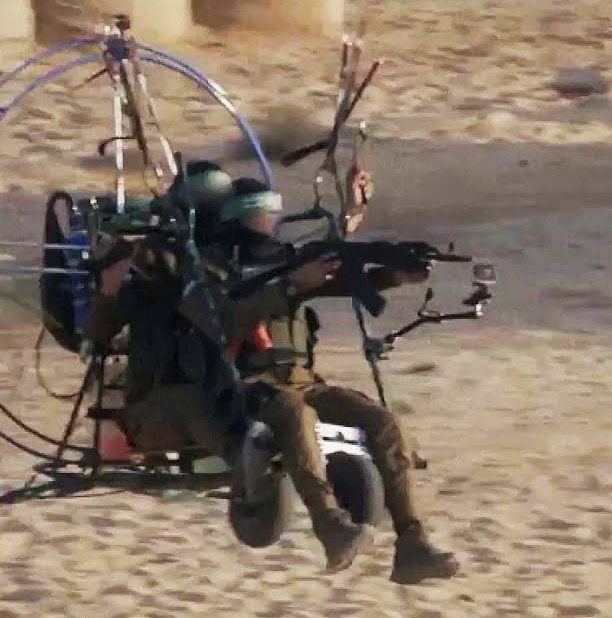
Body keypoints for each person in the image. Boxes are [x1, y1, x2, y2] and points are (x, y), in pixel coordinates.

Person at [79, 161, 375, 574]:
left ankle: (311, 503)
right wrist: (110, 292)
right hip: (164, 406)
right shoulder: (153, 271)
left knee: (274, 412)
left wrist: (348, 219)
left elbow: (289, 264)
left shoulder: (217, 268)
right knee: (220, 418)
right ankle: (269, 478)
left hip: (219, 395)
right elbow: (94, 339)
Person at [212, 175, 461, 585]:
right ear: (240, 217)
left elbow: (342, 281)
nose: (269, 220)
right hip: (251, 386)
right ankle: (329, 524)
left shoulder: (287, 259)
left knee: (384, 423)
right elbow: (223, 321)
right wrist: (290, 284)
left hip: (303, 380)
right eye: (261, 213)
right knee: (297, 416)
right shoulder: (213, 267)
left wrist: (394, 275)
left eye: (272, 211)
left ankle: (412, 542)